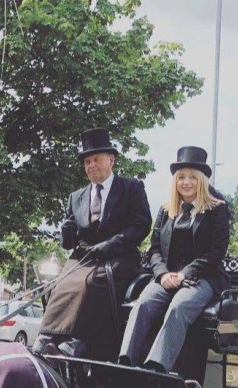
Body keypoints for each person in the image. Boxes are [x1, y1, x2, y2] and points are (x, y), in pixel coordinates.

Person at [35, 128, 151, 359]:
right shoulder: (76, 196)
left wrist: (111, 245)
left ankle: (76, 342)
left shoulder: (131, 188)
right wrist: (65, 234)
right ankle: (46, 337)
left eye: (96, 159)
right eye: (87, 162)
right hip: (84, 257)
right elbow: (68, 244)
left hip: (119, 256)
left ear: (111, 159)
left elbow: (141, 225)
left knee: (88, 283)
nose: (91, 166)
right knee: (60, 283)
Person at [118, 146, 230, 374]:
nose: (186, 182)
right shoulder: (166, 210)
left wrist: (184, 274)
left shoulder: (216, 209)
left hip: (201, 278)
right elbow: (154, 248)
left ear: (201, 180)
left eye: (192, 177)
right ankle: (125, 363)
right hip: (167, 277)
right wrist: (162, 274)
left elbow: (216, 252)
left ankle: (156, 368)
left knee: (179, 306)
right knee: (143, 304)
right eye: (181, 177)